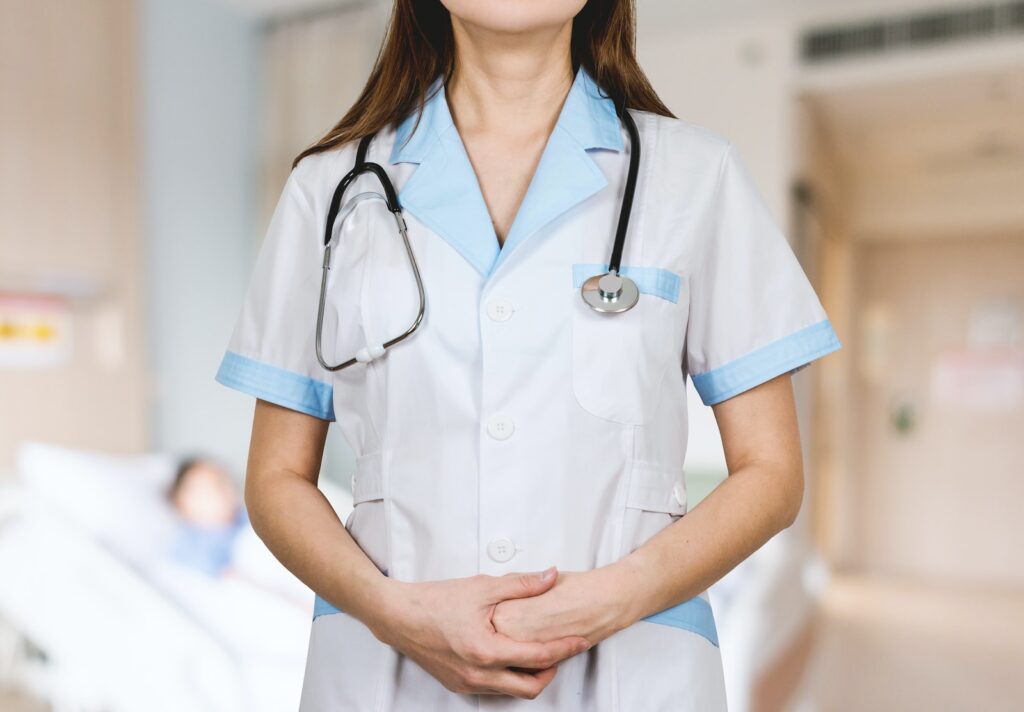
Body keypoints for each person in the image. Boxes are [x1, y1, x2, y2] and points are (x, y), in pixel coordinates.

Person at [214, 1, 842, 709]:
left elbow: (772, 472)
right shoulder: (329, 192)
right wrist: (393, 613)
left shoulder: (694, 176)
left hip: (632, 671)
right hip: (389, 673)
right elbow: (275, 478)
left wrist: (608, 601)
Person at [165, 456, 248, 577]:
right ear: (181, 501)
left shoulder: (246, 519)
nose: (225, 489)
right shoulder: (189, 547)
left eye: (224, 480)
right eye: (212, 485)